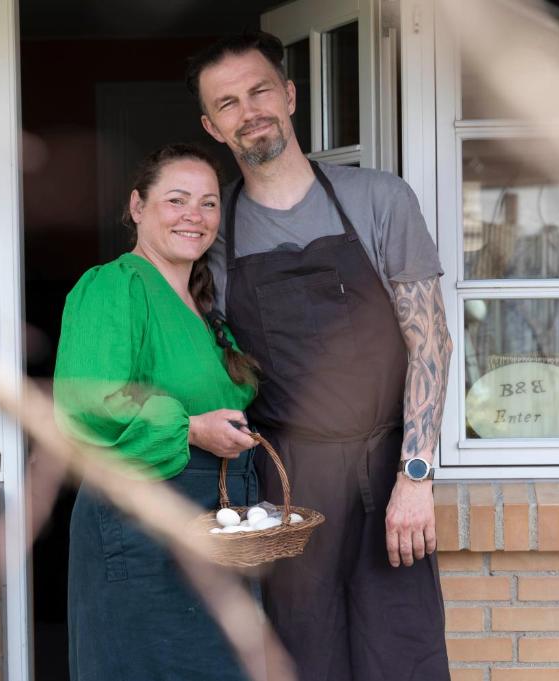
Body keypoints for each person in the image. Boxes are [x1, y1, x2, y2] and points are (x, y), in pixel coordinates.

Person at [186, 33, 454, 680]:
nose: (248, 111)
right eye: (227, 103)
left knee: (404, 655)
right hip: (285, 486)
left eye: (259, 91)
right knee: (303, 658)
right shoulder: (214, 238)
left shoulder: (380, 200)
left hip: (388, 469)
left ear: (291, 95)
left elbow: (431, 340)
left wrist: (415, 477)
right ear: (212, 126)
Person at [53, 143, 261, 681]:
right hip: (143, 516)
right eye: (176, 199)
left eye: (209, 203)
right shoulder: (112, 286)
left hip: (216, 515)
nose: (194, 215)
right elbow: (89, 398)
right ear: (138, 206)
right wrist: (190, 427)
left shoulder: (205, 307)